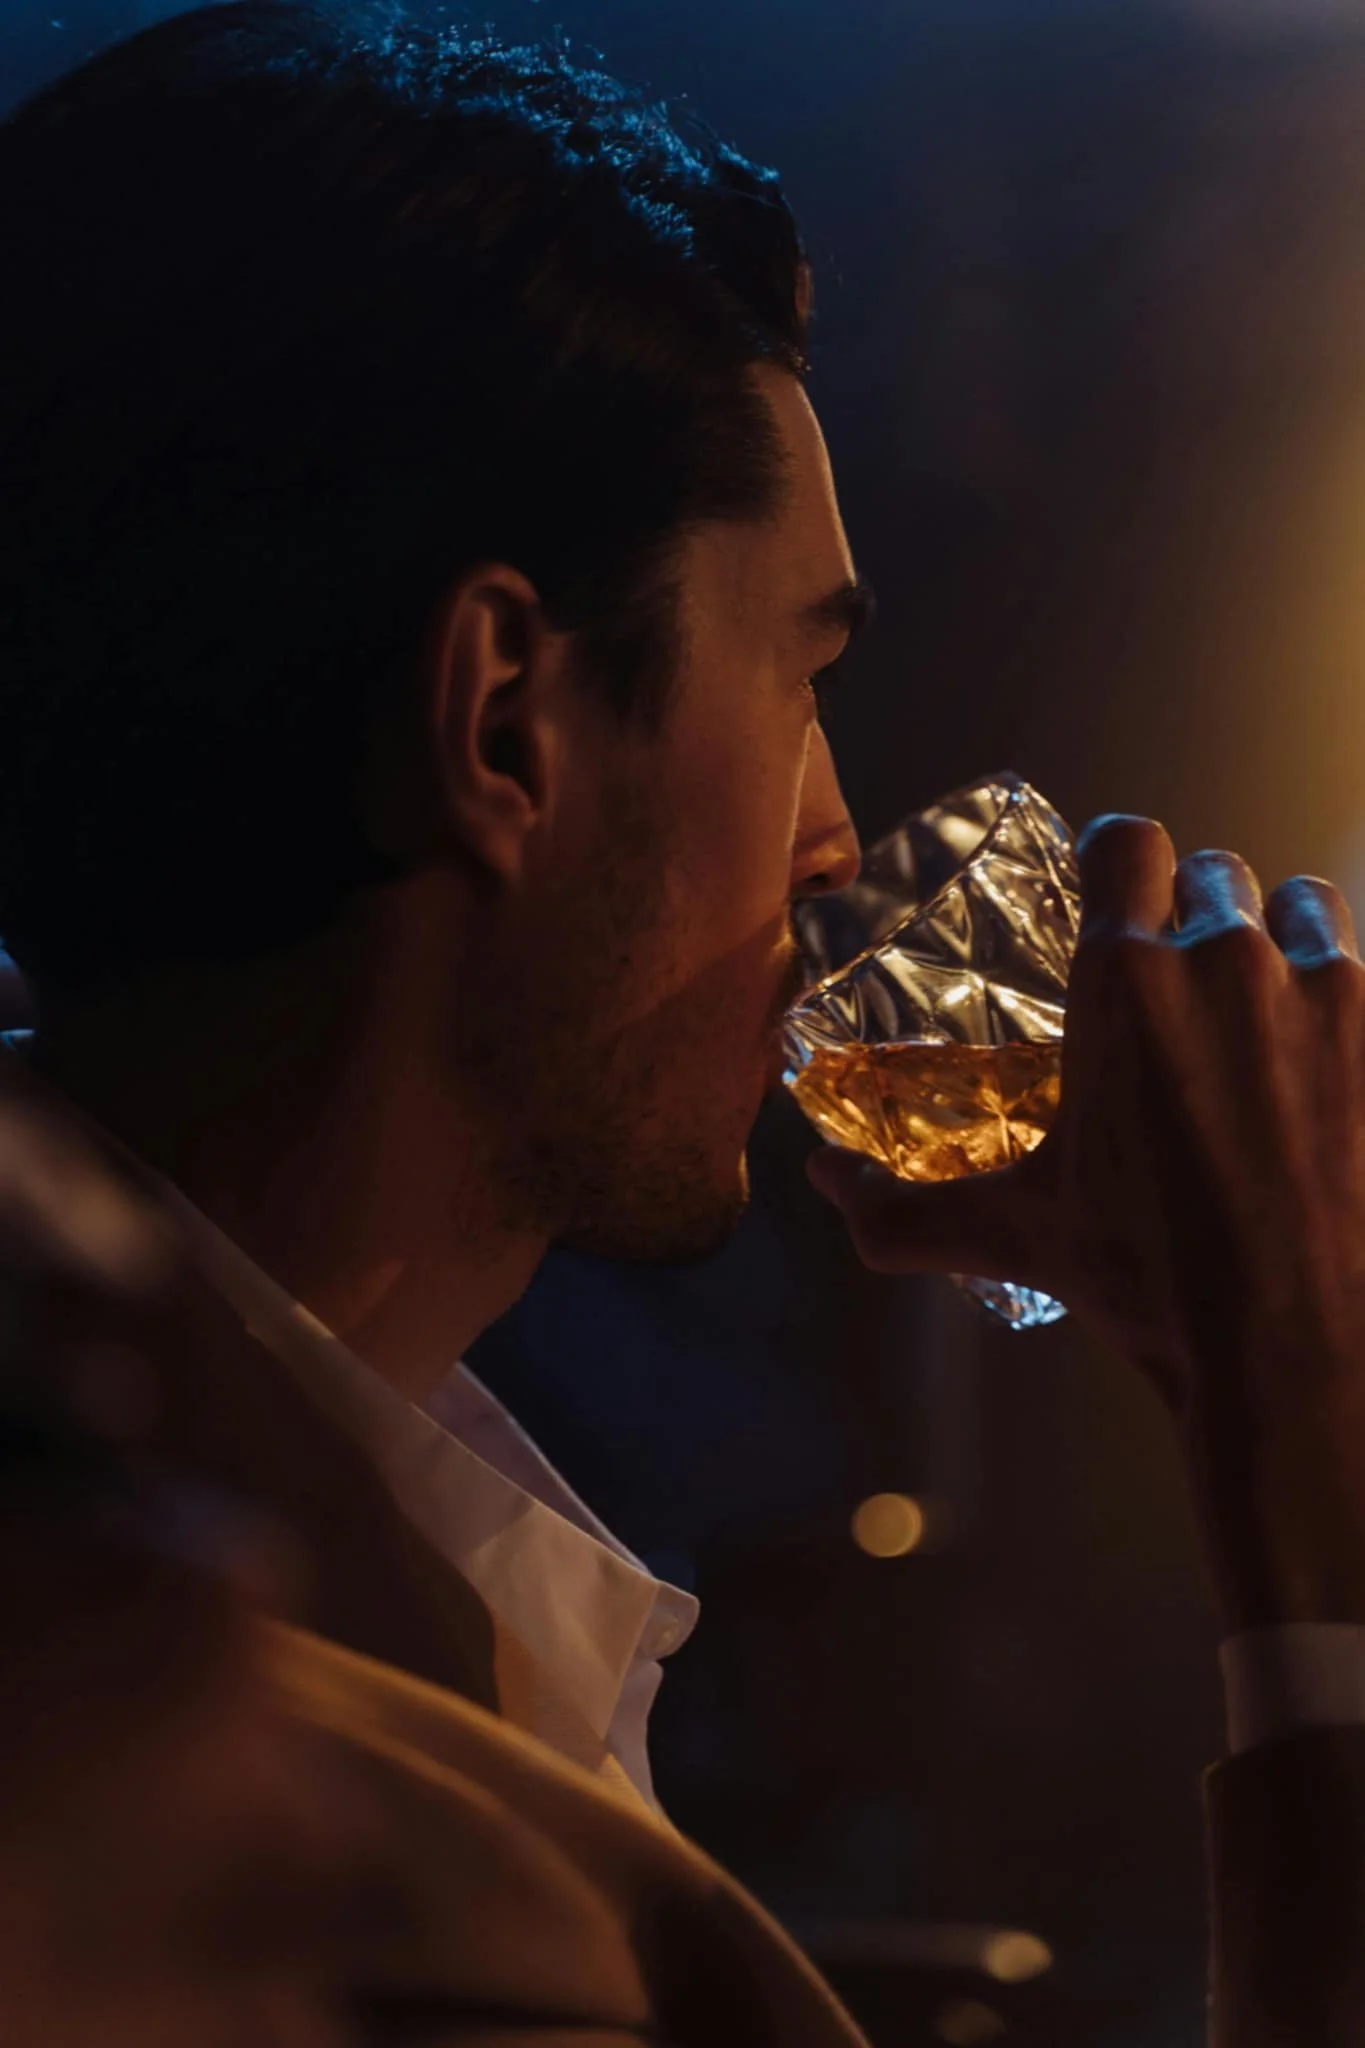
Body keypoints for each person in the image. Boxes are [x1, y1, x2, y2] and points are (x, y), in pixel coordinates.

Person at [1, 4, 1364, 2038]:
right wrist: (1311, 1477)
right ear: (504, 724)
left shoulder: (359, 1561)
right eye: (800, 673)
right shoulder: (206, 1760)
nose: (839, 836)